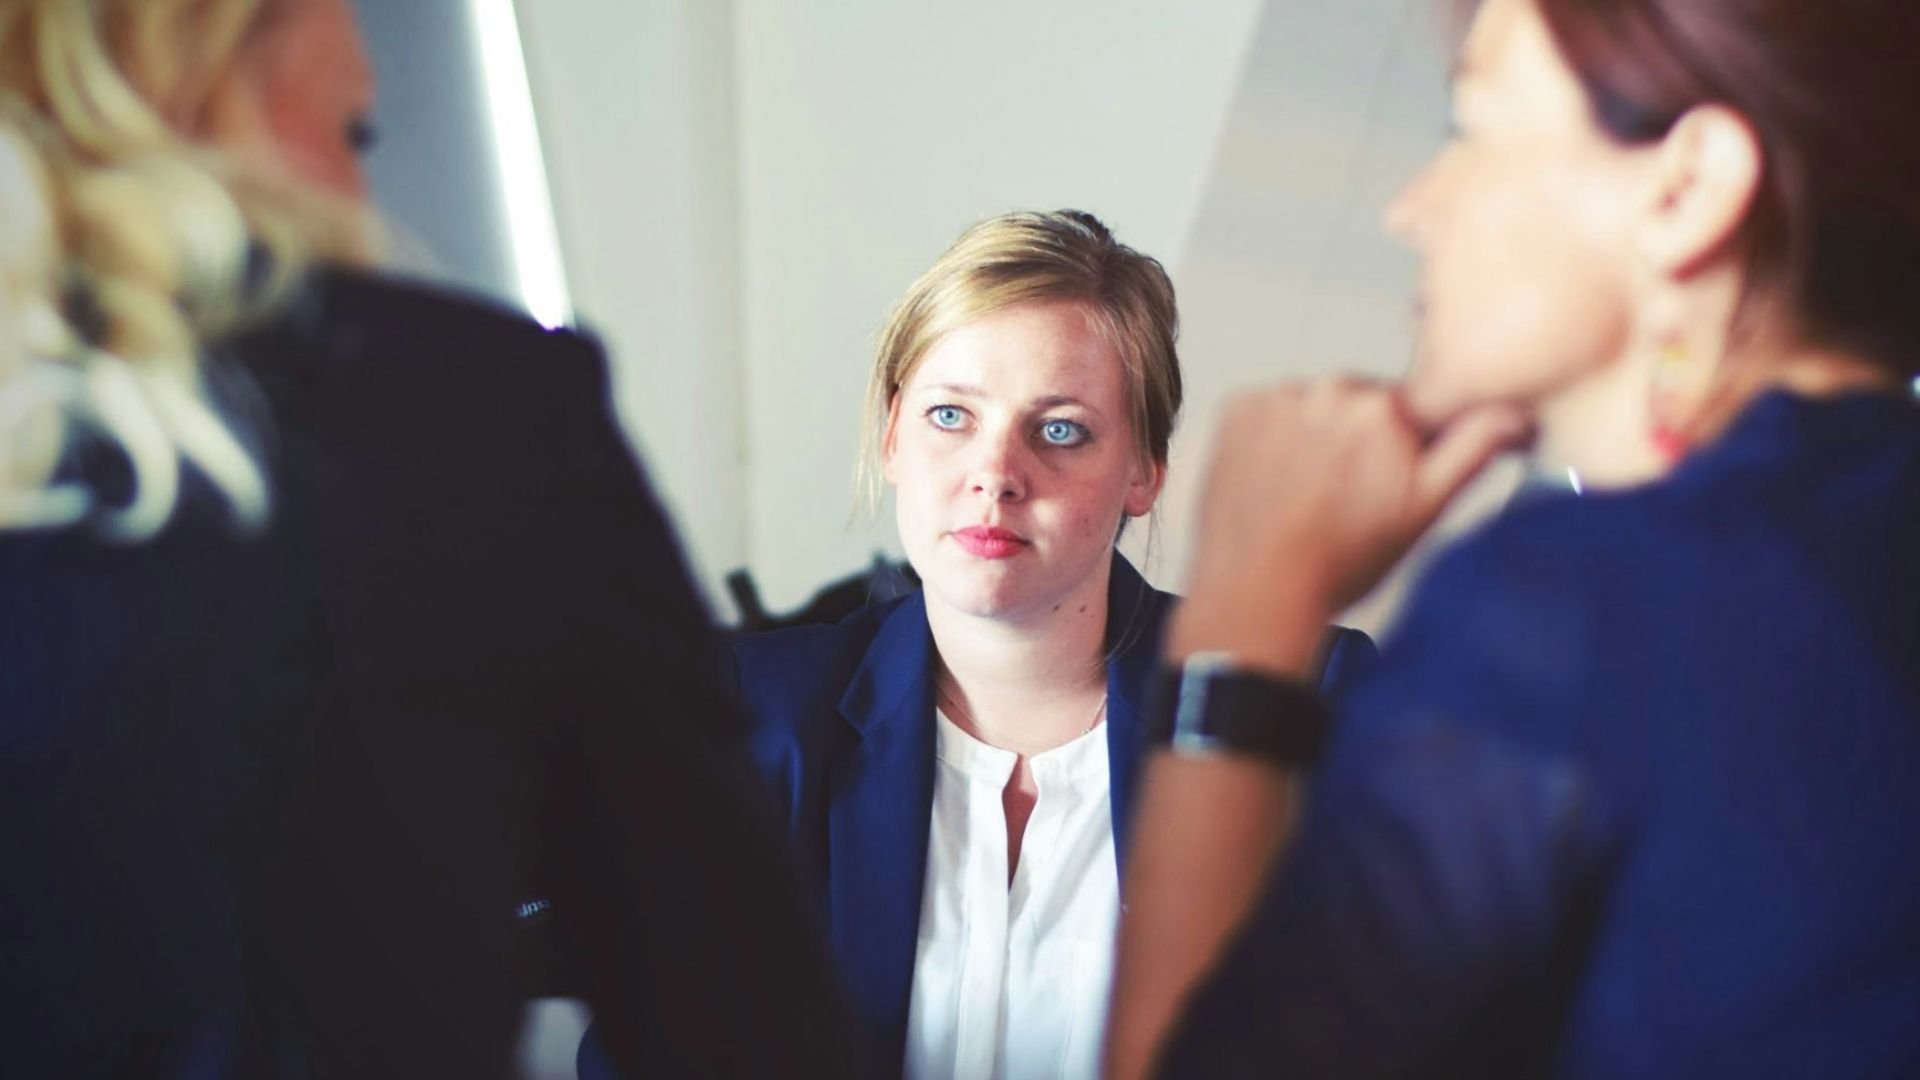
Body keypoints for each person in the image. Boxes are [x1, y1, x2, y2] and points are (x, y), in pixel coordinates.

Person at [0, 1, 857, 1077]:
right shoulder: (466, 416)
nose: (361, 197)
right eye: (352, 135)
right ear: (189, 77)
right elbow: (731, 1015)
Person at [1105, 0, 1920, 1076]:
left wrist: (1249, 602)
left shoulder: (1586, 603)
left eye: (1468, 131)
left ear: (1686, 190)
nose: (1411, 209)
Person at [727, 209, 1372, 1079]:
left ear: (1144, 470)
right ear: (891, 437)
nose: (995, 472)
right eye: (951, 416)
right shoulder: (751, 719)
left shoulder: (1302, 701)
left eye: (1059, 428)